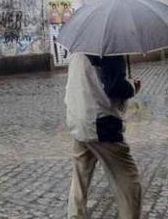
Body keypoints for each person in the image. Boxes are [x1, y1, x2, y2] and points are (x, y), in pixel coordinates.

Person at [65, 54, 142, 219]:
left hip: (78, 118)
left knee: (80, 178)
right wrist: (131, 87)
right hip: (101, 123)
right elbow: (114, 87)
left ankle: (75, 215)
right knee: (128, 179)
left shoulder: (78, 50)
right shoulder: (109, 50)